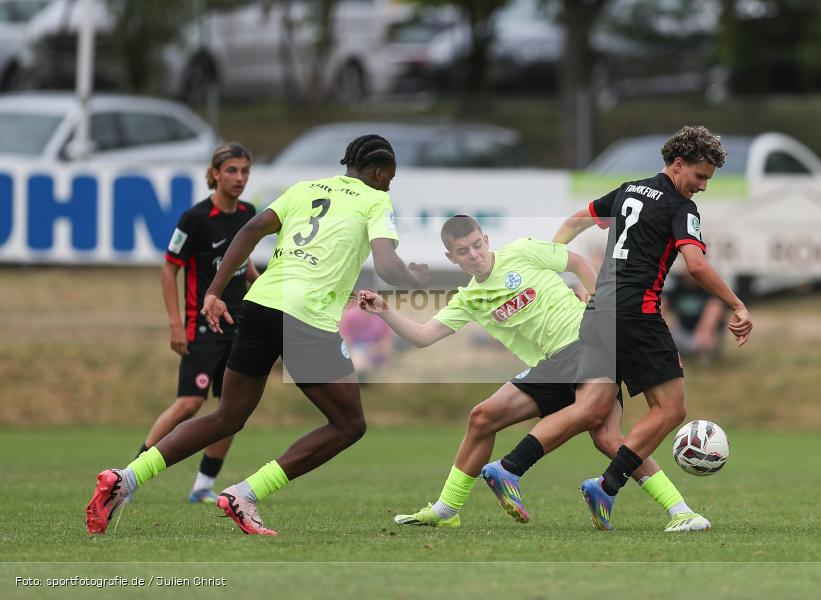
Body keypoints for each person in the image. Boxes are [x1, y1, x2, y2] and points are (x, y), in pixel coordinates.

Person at [86, 134, 429, 536]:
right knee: (349, 423)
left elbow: (250, 230)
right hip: (304, 317)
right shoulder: (376, 200)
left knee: (227, 414)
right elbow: (387, 267)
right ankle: (246, 494)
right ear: (377, 172)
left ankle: (123, 479)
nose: (389, 185)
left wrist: (214, 292)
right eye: (389, 178)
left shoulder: (304, 190)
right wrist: (414, 278)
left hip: (260, 303)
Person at [358, 215, 706, 532]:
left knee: (602, 429)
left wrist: (599, 303)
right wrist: (386, 311)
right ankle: (447, 508)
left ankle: (510, 468)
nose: (474, 254)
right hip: (554, 364)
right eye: (464, 251)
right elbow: (423, 336)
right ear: (452, 258)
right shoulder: (470, 298)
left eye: (477, 244)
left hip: (587, 342)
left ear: (487, 239)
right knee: (485, 418)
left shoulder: (523, 251)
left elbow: (578, 262)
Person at [483, 125, 752, 531]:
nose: (702, 187)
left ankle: (510, 468)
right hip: (636, 316)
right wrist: (736, 304)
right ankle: (606, 485)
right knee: (670, 408)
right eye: (700, 176)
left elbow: (575, 222)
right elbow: (695, 265)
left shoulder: (628, 190)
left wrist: (562, 269)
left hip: (598, 313)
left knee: (591, 409)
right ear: (678, 164)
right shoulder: (681, 209)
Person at [130, 143, 258, 505]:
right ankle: (130, 478)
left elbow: (246, 268)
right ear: (215, 173)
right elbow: (170, 268)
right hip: (203, 327)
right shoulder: (194, 218)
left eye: (245, 171)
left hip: (240, 325)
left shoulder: (248, 214)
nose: (239, 178)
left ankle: (203, 484)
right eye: (232, 170)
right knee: (189, 403)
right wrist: (175, 323)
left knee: (232, 411)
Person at [662, 273, 726, 366]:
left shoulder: (708, 289)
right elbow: (662, 303)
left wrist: (704, 332)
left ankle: (703, 353)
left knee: (714, 308)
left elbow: (716, 308)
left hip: (704, 334)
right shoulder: (678, 288)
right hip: (683, 333)